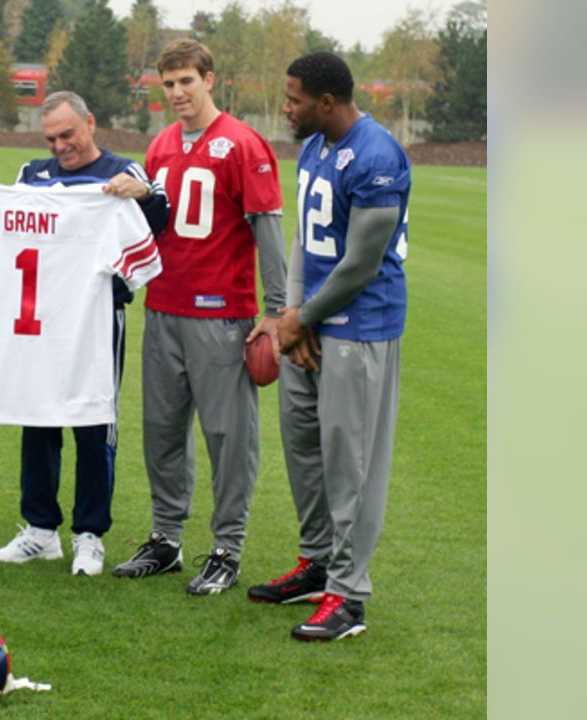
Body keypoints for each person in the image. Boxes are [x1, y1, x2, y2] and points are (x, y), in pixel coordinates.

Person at [112, 39, 287, 596]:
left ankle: (227, 548)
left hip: (221, 314)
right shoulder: (161, 144)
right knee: (162, 433)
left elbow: (267, 228)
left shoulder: (242, 143)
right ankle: (166, 539)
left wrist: (276, 312)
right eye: (168, 84)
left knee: (227, 436)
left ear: (210, 79)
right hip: (165, 307)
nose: (177, 93)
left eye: (186, 81)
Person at [0, 91, 169, 576]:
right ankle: (40, 530)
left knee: (93, 421)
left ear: (90, 121)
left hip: (97, 317)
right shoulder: (31, 175)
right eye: (51, 138)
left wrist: (142, 194)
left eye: (68, 134)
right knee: (36, 417)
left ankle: (89, 534)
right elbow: (4, 224)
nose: (61, 146)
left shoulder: (123, 171)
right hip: (39, 322)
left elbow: (159, 215)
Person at [251, 51, 411, 641]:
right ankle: (318, 564)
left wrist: (302, 320)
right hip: (312, 325)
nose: (285, 108)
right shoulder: (314, 147)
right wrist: (293, 316)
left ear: (326, 101)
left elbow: (362, 262)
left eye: (293, 99)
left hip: (359, 327)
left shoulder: (376, 154)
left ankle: (349, 596)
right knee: (306, 456)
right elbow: (302, 242)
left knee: (352, 467)